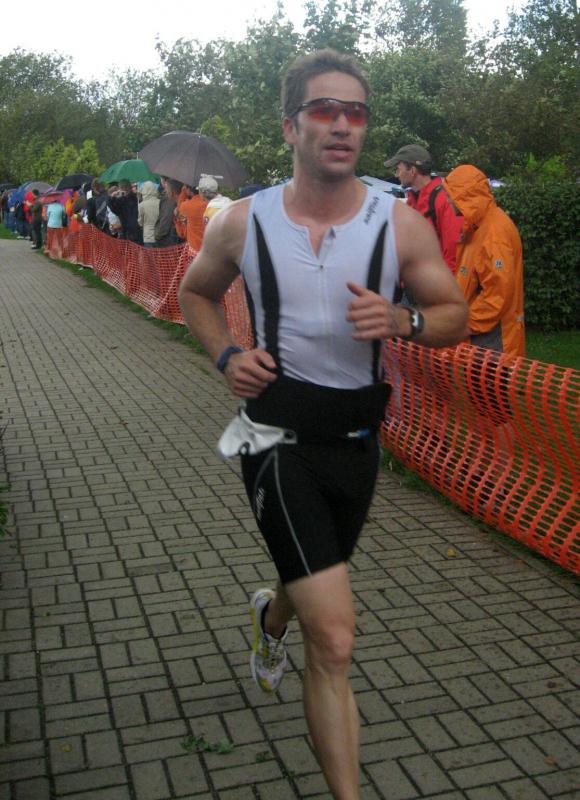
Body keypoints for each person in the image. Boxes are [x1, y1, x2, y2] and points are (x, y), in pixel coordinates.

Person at [178, 49, 468, 800]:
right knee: (334, 637)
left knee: (310, 572)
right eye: (324, 110)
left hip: (357, 441)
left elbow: (453, 315)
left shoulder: (399, 226)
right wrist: (227, 356)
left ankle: (270, 617)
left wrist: (404, 320)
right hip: (272, 434)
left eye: (356, 113)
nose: (342, 125)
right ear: (291, 126)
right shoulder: (242, 223)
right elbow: (195, 295)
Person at [443, 164, 525, 358]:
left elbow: (497, 295)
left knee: (490, 379)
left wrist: (463, 324)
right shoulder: (477, 227)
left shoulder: (493, 233)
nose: (448, 200)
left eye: (451, 195)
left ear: (466, 196)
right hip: (482, 337)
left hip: (494, 343)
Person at [384, 144, 463, 274]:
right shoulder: (412, 201)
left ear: (412, 171)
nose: (396, 175)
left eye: (398, 169)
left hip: (436, 283)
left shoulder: (444, 200)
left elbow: (454, 254)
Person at [107, 179, 142, 244]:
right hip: (137, 230)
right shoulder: (136, 197)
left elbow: (115, 210)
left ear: (121, 188)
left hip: (127, 231)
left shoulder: (122, 200)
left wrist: (112, 198)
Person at [175, 183, 208, 251]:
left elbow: (181, 233)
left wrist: (183, 193)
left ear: (189, 190)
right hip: (210, 249)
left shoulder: (185, 206)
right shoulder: (210, 204)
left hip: (194, 249)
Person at [155, 177, 183, 247]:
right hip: (176, 240)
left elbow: (166, 219)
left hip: (169, 241)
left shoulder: (170, 201)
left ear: (172, 192)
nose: (165, 191)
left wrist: (158, 235)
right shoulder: (181, 201)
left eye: (167, 189)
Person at [137, 181, 160, 248]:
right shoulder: (160, 202)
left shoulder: (141, 205)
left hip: (148, 236)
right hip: (160, 234)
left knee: (149, 254)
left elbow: (140, 222)